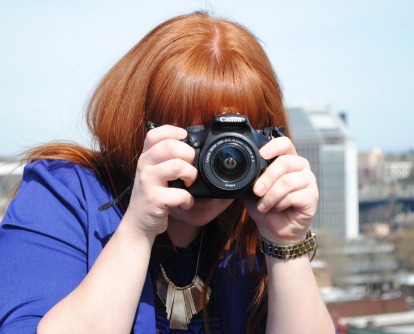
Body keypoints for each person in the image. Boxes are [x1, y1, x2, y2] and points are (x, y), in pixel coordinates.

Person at [0, 11, 335, 334]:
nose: (211, 162)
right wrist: (136, 231)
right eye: (194, 138)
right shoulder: (61, 195)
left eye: (230, 144)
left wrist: (285, 242)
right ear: (138, 124)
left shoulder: (250, 228)